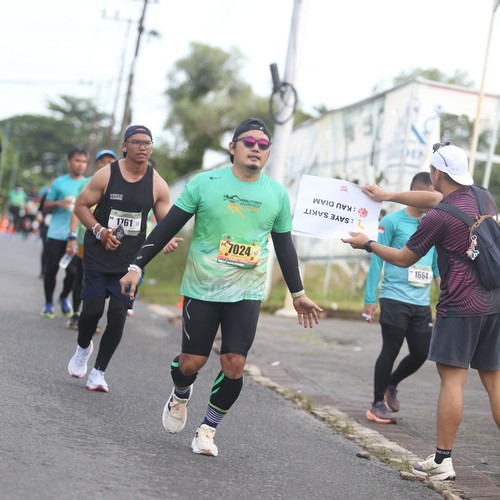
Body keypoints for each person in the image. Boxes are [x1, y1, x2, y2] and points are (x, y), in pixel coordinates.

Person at [119, 117, 323, 457]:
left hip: (247, 290)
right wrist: (136, 266)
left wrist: (298, 293)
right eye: (249, 142)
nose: (256, 148)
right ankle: (180, 393)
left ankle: (207, 430)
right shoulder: (205, 183)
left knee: (234, 363)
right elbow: (168, 227)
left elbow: (285, 246)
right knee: (190, 363)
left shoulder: (276, 194)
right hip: (202, 287)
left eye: (263, 145)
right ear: (232, 147)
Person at [342, 142, 500, 481]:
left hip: (460, 306)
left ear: (436, 173)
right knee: (494, 382)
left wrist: (367, 243)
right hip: (493, 303)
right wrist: (387, 195)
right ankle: (441, 459)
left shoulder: (439, 217)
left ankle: (442, 460)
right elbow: (433, 198)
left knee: (453, 381)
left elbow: (403, 258)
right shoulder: (483, 196)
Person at [67, 125, 180, 392]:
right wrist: (100, 230)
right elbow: (81, 206)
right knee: (92, 311)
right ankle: (83, 348)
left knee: (118, 315)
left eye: (147, 143)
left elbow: (165, 222)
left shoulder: (157, 184)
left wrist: (168, 238)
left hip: (131, 262)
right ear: (124, 146)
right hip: (98, 254)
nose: (143, 147)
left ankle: (99, 372)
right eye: (137, 142)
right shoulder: (106, 175)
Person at [363, 172, 440, 424]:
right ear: (415, 193)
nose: (433, 201)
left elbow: (436, 264)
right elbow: (376, 259)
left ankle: (391, 384)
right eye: (429, 196)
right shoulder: (392, 222)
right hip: (394, 297)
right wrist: (370, 299)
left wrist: (445, 292)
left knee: (421, 352)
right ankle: (376, 404)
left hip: (421, 302)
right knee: (390, 349)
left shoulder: (433, 223)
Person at [66, 149, 118, 330]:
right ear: (97, 164)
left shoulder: (120, 184)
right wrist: (72, 236)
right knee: (81, 276)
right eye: (102, 161)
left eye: (110, 161)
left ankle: (91, 318)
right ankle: (75, 314)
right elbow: (78, 209)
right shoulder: (88, 182)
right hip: (85, 238)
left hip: (107, 241)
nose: (106, 164)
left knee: (100, 280)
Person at [40, 149, 88, 318]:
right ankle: (48, 303)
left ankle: (63, 297)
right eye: (77, 160)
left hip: (78, 237)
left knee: (74, 272)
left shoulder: (89, 183)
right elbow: (46, 205)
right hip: (56, 234)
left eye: (84, 161)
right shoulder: (59, 182)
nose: (80, 164)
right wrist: (59, 203)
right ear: (69, 162)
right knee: (51, 269)